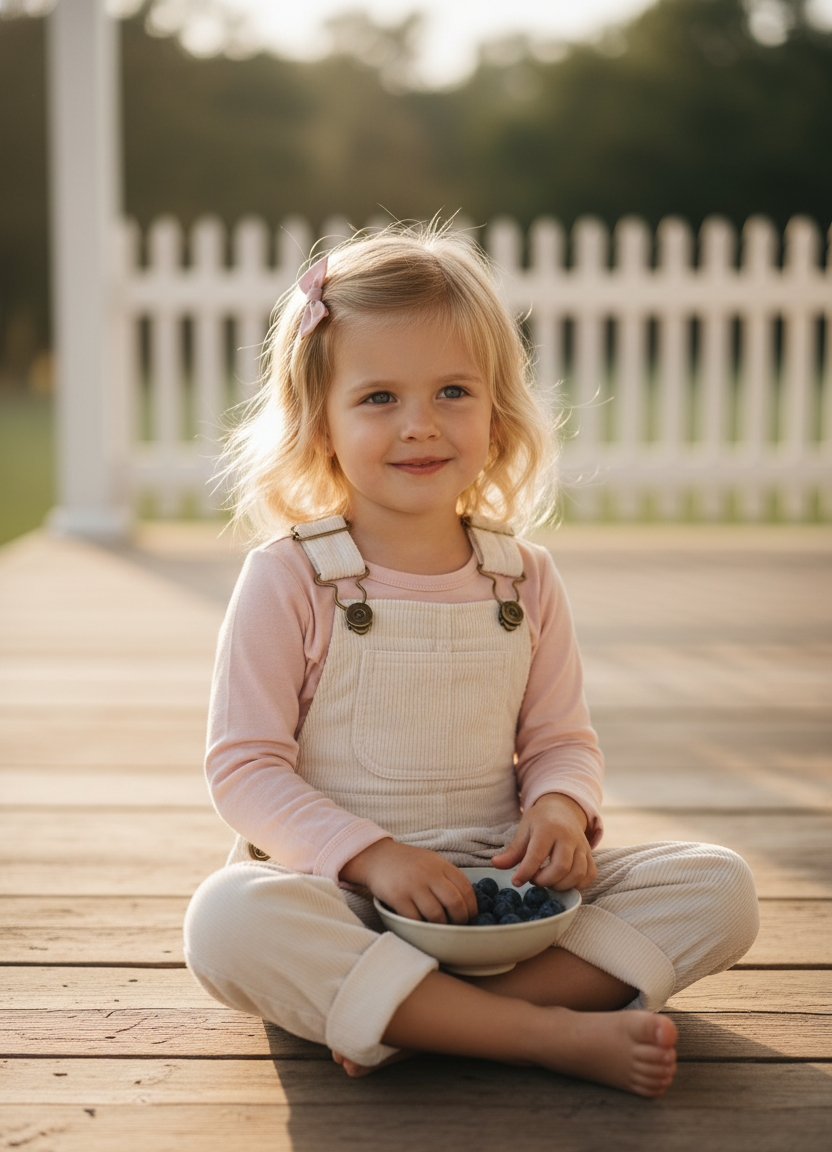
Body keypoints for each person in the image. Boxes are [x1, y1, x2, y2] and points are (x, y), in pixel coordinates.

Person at [183, 222, 759, 1097]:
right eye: (379, 398)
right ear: (322, 421)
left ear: (495, 412)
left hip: (506, 895)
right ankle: (535, 1032)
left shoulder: (523, 577)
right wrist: (374, 858)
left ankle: (417, 1021)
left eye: (453, 390)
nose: (420, 425)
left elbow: (561, 740)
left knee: (719, 888)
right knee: (225, 921)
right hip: (346, 900)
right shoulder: (291, 576)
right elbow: (245, 769)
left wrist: (562, 812)